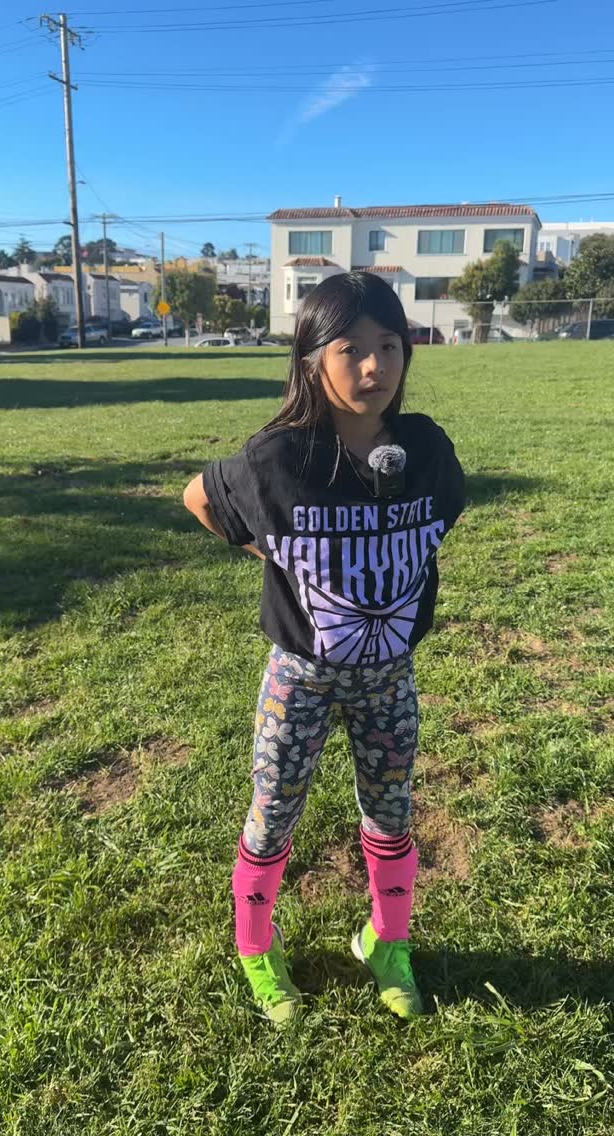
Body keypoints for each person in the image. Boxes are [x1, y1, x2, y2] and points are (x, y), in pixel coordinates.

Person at [183, 271, 465, 1025]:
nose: (374, 367)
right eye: (351, 349)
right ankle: (254, 947)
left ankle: (387, 941)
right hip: (300, 677)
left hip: (388, 678)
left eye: (389, 346)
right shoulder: (280, 457)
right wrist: (279, 557)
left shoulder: (427, 448)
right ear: (312, 357)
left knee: (393, 813)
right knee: (272, 811)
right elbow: (199, 498)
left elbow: (442, 519)